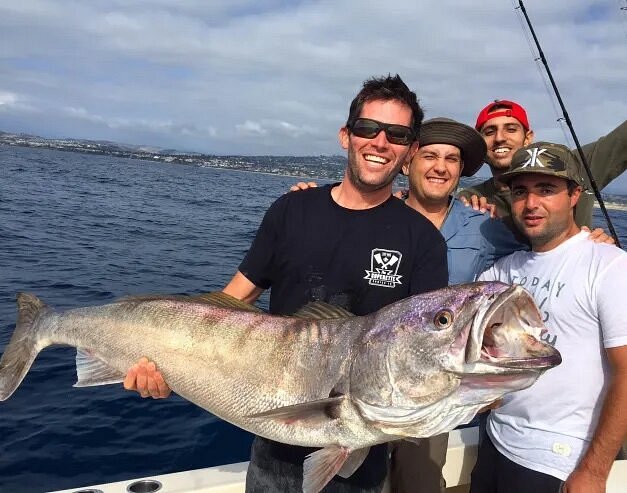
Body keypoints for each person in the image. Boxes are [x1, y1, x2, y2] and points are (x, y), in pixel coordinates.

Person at [125, 74, 449, 493]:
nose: (380, 142)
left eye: (397, 134)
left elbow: (425, 350)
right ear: (346, 135)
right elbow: (227, 305)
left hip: (363, 458)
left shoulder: (422, 241)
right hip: (272, 450)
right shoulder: (291, 210)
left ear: (410, 151)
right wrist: (167, 360)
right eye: (368, 128)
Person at [469, 141, 627, 493]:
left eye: (546, 189)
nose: (531, 204)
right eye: (521, 191)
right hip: (495, 442)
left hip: (558, 460)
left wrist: (595, 471)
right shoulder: (501, 272)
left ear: (574, 195)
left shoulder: (610, 266)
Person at [458, 100, 627, 228]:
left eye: (511, 129)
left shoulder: (571, 167)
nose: (500, 138)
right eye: (489, 132)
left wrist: (598, 249)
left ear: (528, 137)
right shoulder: (471, 199)